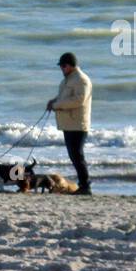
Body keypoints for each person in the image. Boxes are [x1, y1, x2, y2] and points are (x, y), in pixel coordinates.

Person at [46, 51, 92, 195]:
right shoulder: (68, 80)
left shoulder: (81, 80)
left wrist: (57, 105)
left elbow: (79, 100)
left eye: (64, 66)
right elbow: (63, 97)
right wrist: (53, 101)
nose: (62, 69)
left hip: (78, 125)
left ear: (71, 65)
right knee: (74, 156)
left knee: (77, 156)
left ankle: (86, 186)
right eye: (61, 66)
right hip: (69, 124)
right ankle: (83, 185)